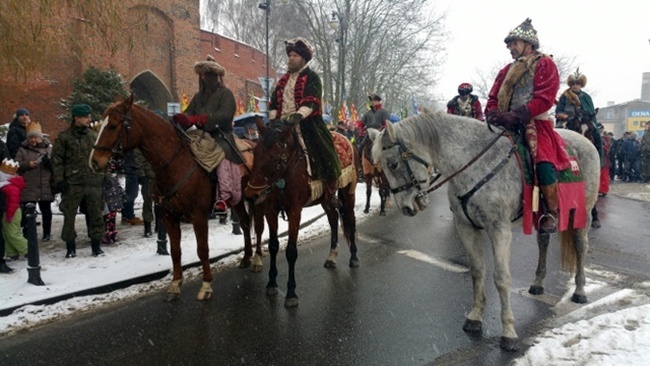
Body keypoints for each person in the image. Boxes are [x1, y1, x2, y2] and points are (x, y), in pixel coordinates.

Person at [485, 18, 571, 234]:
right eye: (509, 44)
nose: (510, 48)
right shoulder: (506, 70)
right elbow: (493, 96)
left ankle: (551, 211)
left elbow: (545, 98)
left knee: (543, 163)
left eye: (513, 43)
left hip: (535, 124)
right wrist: (494, 113)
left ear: (528, 43)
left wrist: (519, 114)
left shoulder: (545, 64)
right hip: (506, 123)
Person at [268, 37, 342, 208]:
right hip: (282, 126)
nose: (290, 58)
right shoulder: (283, 80)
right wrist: (273, 120)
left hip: (308, 123)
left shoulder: (313, 77)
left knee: (325, 150)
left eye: (294, 55)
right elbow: (274, 102)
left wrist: (298, 116)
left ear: (303, 58)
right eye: (290, 55)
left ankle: (330, 191)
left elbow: (312, 100)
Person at [172, 55, 242, 215]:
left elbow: (226, 115)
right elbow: (190, 111)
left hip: (221, 134)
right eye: (203, 75)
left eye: (208, 74)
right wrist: (183, 118)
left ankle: (223, 197)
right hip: (201, 134)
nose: (205, 78)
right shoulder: (198, 96)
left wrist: (204, 119)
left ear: (216, 76)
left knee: (221, 157)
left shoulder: (226, 94)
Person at [51, 103, 105, 258]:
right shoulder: (65, 137)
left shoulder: (93, 136)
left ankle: (96, 246)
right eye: (86, 116)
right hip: (72, 183)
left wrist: (105, 176)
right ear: (76, 118)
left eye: (89, 116)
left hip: (93, 181)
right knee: (69, 216)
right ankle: (70, 247)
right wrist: (60, 180)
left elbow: (101, 159)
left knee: (96, 214)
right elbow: (57, 160)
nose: (89, 119)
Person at [15, 121, 54, 242]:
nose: (33, 139)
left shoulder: (48, 149)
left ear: (40, 137)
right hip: (29, 185)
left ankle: (47, 233)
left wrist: (48, 163)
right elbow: (16, 165)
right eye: (31, 137)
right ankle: (29, 233)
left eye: (35, 137)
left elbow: (56, 165)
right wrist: (27, 165)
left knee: (46, 210)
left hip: (44, 185)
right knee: (28, 211)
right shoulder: (22, 150)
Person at [555, 69, 603, 162]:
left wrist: (587, 115)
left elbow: (590, 110)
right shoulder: (565, 96)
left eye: (577, 84)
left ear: (581, 85)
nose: (575, 86)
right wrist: (566, 116)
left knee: (596, 134)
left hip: (584, 119)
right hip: (567, 119)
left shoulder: (586, 97)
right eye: (573, 84)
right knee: (557, 132)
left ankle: (597, 157)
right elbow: (558, 112)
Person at [0, 159, 28, 260]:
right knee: (6, 233)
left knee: (13, 233)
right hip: (8, 211)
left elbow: (13, 203)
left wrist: (9, 215)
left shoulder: (10, 187)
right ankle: (11, 252)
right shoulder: (7, 185)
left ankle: (27, 249)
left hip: (11, 212)